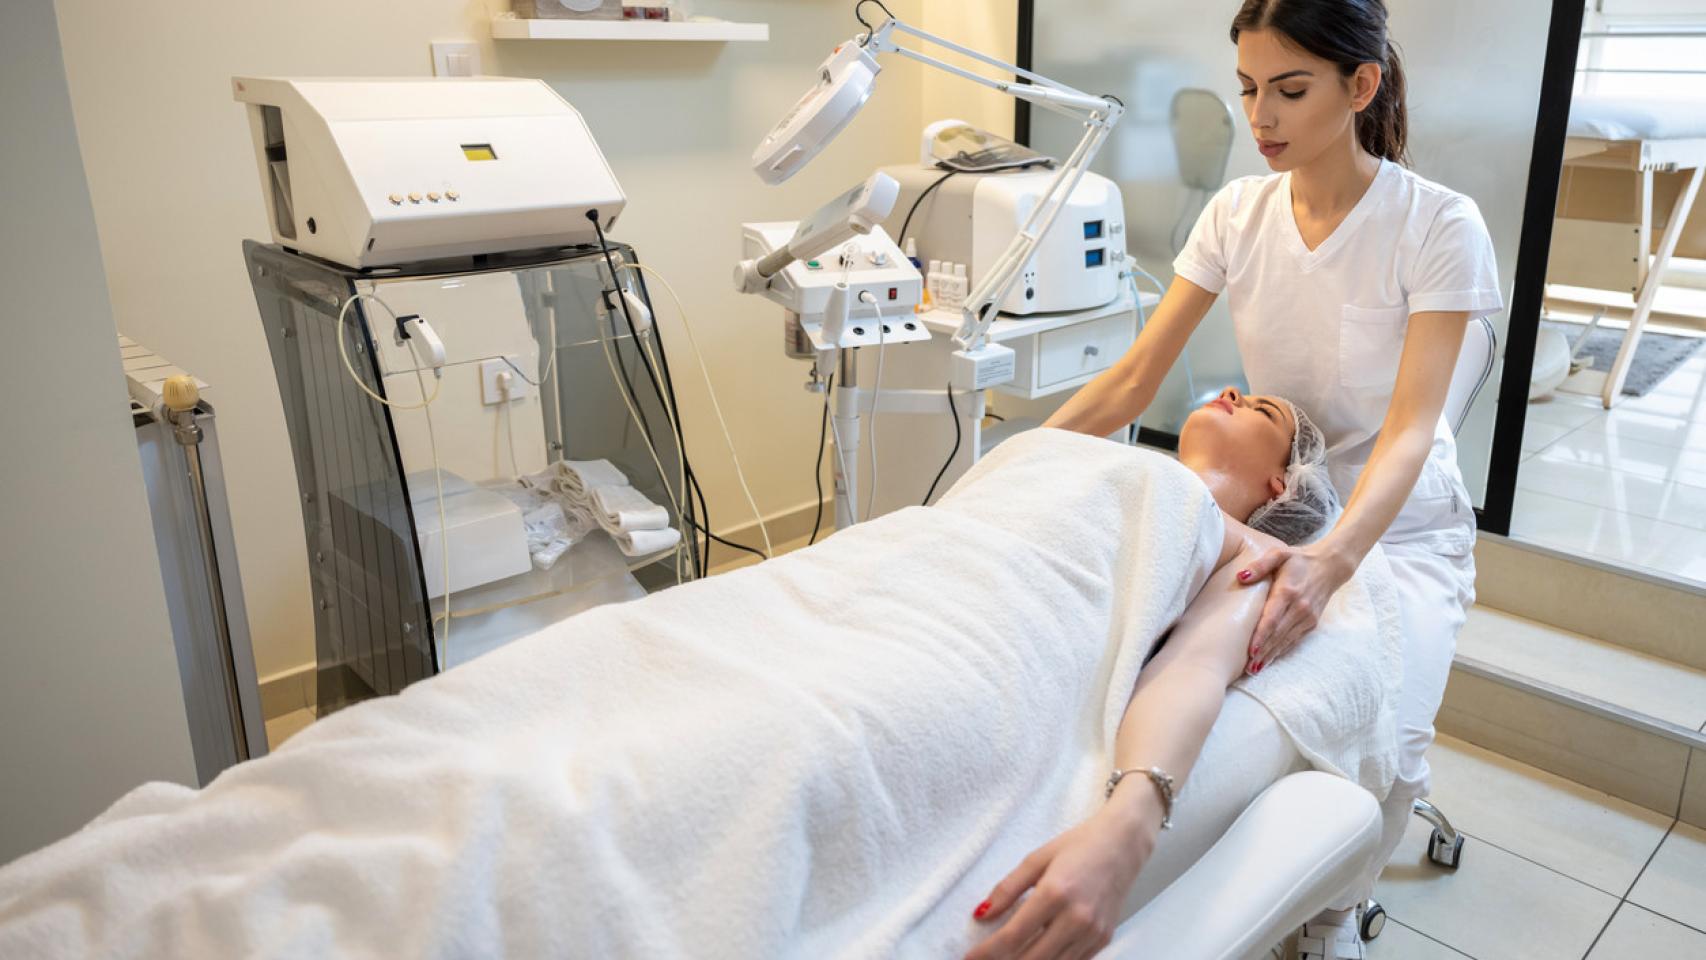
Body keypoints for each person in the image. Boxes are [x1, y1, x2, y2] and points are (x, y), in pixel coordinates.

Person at [1031, 1, 1503, 957]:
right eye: (1249, 89)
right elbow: (1133, 378)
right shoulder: (1237, 214)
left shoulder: (1437, 225)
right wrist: (1014, 472)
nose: (1261, 118)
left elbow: (1412, 431)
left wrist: (1333, 563)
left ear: (1360, 86)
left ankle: (1333, 916)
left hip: (1397, 529)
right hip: (1279, 512)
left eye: (1290, 90)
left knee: (1392, 748)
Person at [968, 387, 1339, 960]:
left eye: (1263, 411)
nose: (1234, 392)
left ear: (1282, 484)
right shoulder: (1077, 454)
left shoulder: (1254, 555)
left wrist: (1128, 824)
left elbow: (1195, 666)